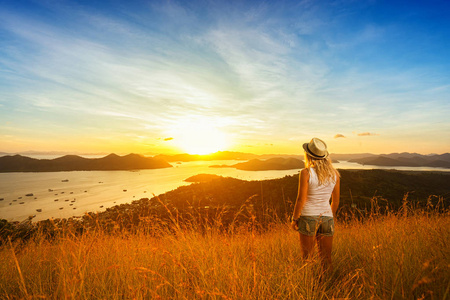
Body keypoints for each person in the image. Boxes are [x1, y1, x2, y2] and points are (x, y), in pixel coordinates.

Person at [291, 137, 340, 271]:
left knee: (307, 259)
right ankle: (328, 284)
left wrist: (295, 219)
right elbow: (336, 201)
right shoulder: (335, 174)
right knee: (326, 259)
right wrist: (329, 216)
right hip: (327, 218)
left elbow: (301, 199)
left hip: (308, 217)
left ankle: (310, 288)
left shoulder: (306, 173)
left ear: (308, 155)